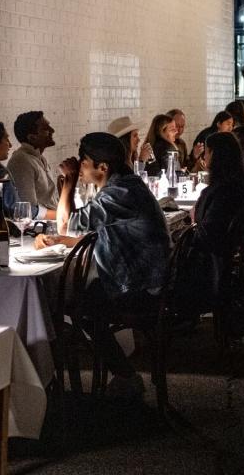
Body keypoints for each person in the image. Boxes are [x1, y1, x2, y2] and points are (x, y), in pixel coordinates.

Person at [36, 132, 170, 398]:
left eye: (84, 163)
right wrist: (63, 240)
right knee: (72, 300)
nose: (81, 168)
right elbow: (100, 232)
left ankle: (123, 377)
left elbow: (66, 221)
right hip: (148, 279)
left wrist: (69, 183)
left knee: (73, 306)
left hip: (142, 287)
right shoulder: (126, 185)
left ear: (103, 167)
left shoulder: (119, 192)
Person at [192, 132, 244, 257]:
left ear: (214, 154)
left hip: (212, 254)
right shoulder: (239, 182)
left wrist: (194, 217)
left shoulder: (222, 191)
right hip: (228, 247)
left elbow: (209, 231)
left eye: (207, 152)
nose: (205, 156)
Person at [7, 111, 58, 220]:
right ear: (32, 137)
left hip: (53, 222)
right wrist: (64, 216)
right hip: (39, 228)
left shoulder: (39, 157)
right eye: (45, 129)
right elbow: (28, 209)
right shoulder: (21, 161)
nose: (52, 130)